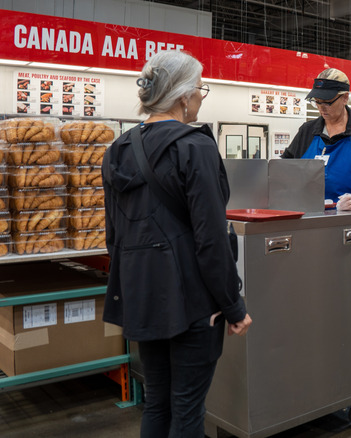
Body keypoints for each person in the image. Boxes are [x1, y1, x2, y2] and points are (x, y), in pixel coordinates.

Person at [101, 50, 252, 438]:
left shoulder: (118, 150)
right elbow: (211, 239)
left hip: (141, 297)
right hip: (192, 303)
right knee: (187, 409)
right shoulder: (195, 147)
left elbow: (114, 237)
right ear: (183, 96)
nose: (201, 96)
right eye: (200, 88)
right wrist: (233, 306)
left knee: (158, 402)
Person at [282, 68, 351, 303]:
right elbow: (285, 168)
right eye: (317, 102)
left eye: (328, 102)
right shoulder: (307, 132)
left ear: (345, 98)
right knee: (318, 303)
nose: (322, 108)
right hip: (314, 236)